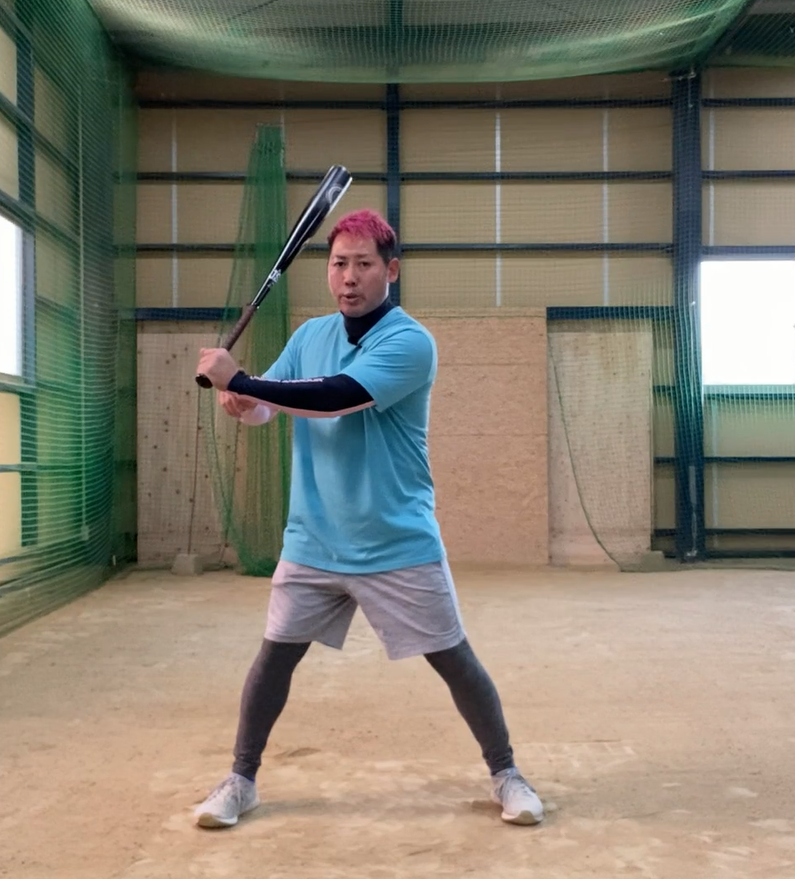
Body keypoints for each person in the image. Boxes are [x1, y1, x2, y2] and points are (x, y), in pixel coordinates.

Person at [190, 208, 544, 829]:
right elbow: (270, 404)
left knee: (453, 658)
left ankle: (506, 773)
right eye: (338, 264)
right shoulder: (310, 335)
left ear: (391, 270)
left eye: (363, 264)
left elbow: (336, 399)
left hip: (395, 539)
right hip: (314, 538)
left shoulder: (411, 343)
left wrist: (243, 378)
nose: (348, 277)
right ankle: (240, 780)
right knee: (274, 658)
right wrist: (242, 399)